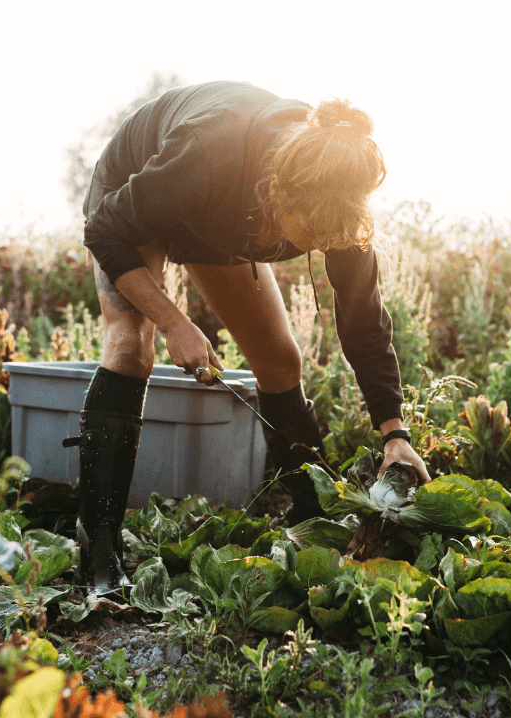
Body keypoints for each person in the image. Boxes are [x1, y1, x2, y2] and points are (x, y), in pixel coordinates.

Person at [73, 80, 429, 596]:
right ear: (277, 191)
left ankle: (310, 520)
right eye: (307, 235)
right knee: (131, 346)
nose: (314, 247)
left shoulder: (339, 209)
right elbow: (105, 230)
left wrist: (395, 434)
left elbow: (364, 325)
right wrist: (174, 322)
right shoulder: (208, 154)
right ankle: (98, 550)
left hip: (221, 220)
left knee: (280, 361)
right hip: (137, 190)